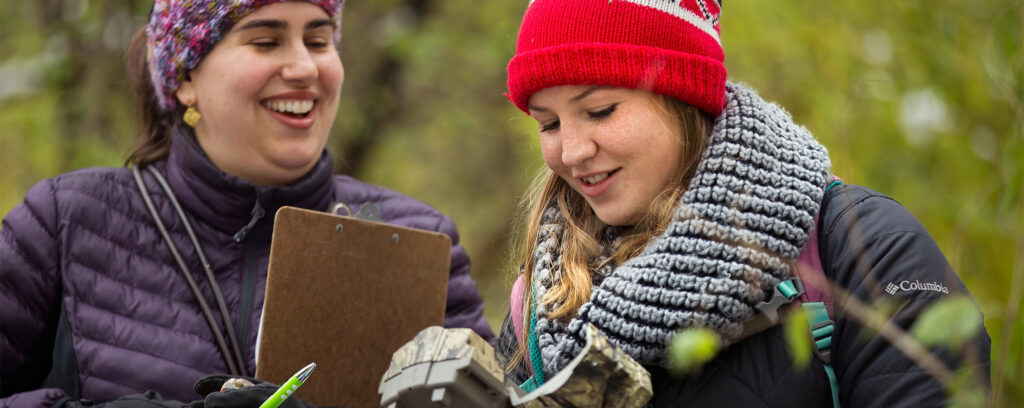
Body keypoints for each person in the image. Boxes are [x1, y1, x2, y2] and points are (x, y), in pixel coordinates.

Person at [495, 0, 991, 406]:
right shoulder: (543, 305)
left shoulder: (862, 252)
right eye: (549, 124)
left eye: (599, 111)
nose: (572, 151)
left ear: (682, 96)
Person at [0, 1, 493, 406]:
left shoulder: (419, 238)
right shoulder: (64, 220)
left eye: (319, 41)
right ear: (184, 78)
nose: (304, 67)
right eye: (265, 41)